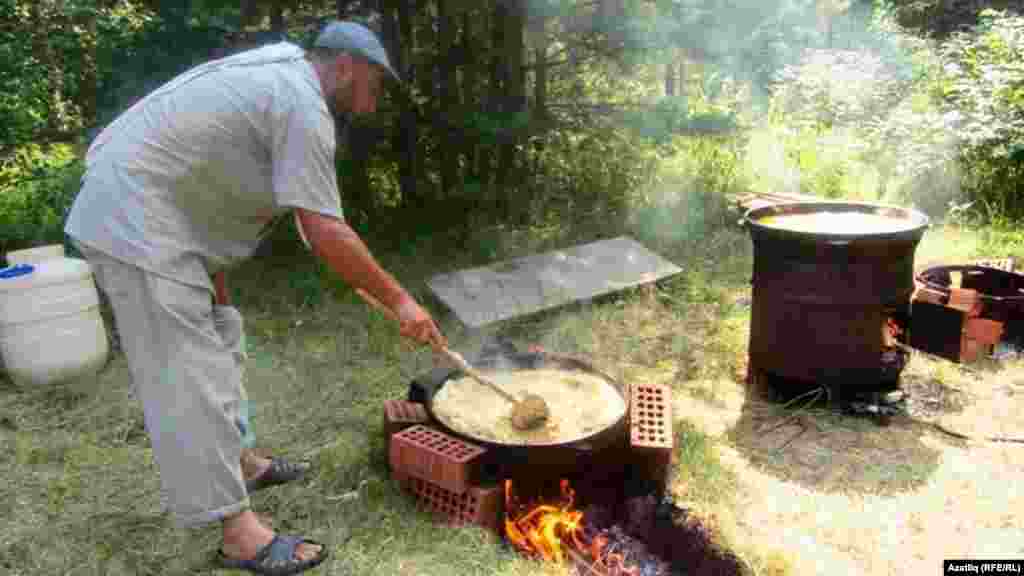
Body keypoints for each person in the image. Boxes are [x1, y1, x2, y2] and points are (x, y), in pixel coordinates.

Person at [64, 21, 447, 575]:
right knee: (187, 377)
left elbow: (207, 167)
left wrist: (212, 269)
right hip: (134, 223)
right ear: (345, 67)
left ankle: (240, 461)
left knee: (223, 332)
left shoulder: (281, 76)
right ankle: (239, 535)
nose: (378, 93)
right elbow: (324, 229)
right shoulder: (301, 103)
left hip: (168, 215)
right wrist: (402, 303)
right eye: (375, 81)